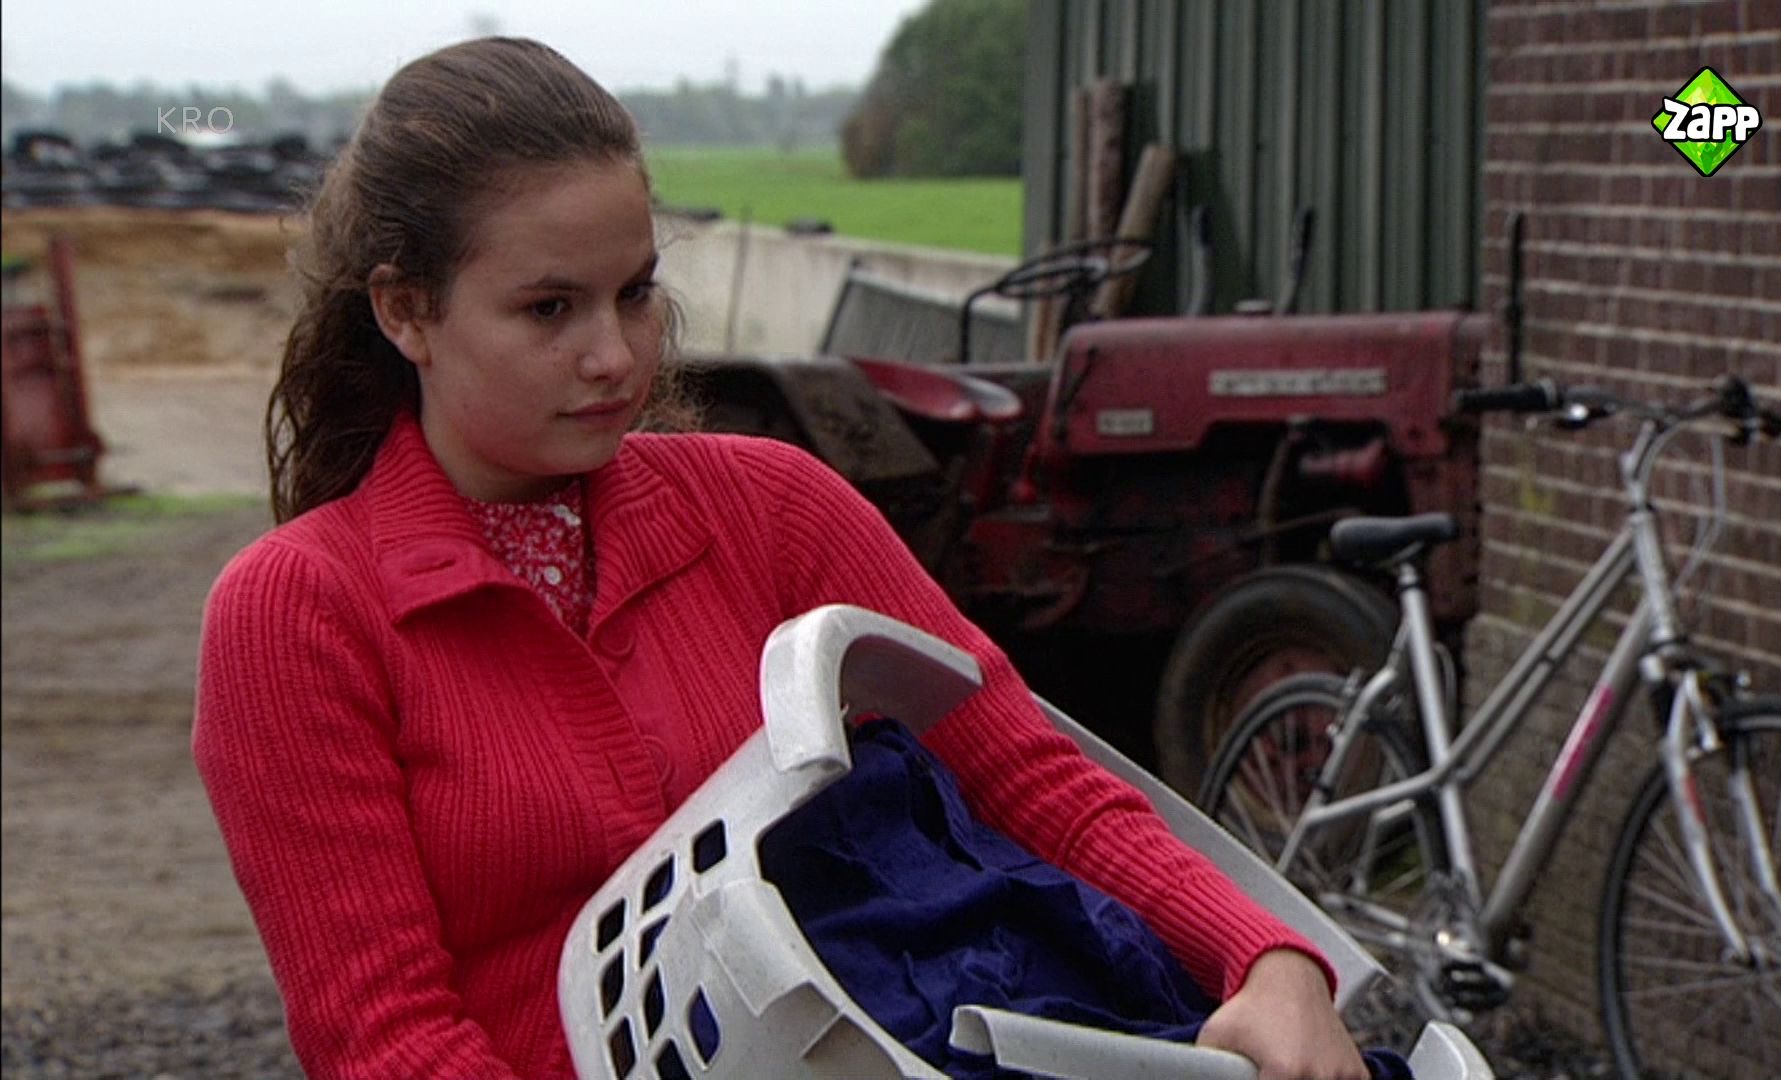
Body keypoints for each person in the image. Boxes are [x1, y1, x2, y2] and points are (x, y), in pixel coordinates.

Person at [193, 36, 1368, 1080]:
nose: (616, 355)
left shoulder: (772, 507)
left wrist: (1266, 958)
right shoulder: (300, 613)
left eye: (635, 292)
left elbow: (1026, 772)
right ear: (406, 310)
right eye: (549, 309)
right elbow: (381, 1035)